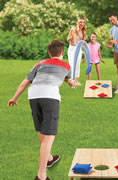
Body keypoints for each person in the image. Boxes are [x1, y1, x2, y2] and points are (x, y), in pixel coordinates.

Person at [7, 40, 75, 180]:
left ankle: (49, 159)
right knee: (49, 136)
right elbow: (67, 78)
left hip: (33, 96)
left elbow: (24, 82)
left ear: (49, 53)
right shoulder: (67, 65)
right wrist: (71, 82)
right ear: (62, 52)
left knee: (43, 131)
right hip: (50, 96)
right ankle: (41, 176)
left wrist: (14, 98)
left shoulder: (39, 64)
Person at [67, 17, 87, 85]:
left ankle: (77, 80)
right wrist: (71, 36)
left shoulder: (83, 31)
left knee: (78, 64)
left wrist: (84, 40)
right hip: (72, 48)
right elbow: (68, 39)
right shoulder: (73, 29)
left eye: (83, 22)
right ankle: (72, 80)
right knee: (72, 64)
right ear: (78, 23)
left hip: (78, 49)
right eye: (80, 22)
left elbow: (82, 43)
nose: (82, 23)